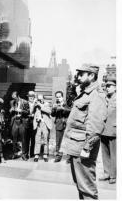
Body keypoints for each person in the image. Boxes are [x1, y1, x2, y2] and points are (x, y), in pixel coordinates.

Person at [62, 64, 107, 199]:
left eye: (82, 74)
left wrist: (87, 148)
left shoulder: (96, 95)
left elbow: (96, 126)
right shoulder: (85, 92)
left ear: (92, 76)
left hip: (83, 147)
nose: (79, 76)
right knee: (81, 185)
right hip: (76, 146)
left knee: (87, 188)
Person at [99, 76, 116, 184]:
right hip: (104, 129)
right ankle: (107, 173)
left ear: (116, 87)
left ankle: (113, 175)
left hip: (114, 130)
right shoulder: (105, 98)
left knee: (114, 154)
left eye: (110, 86)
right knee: (105, 153)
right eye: (106, 86)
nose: (107, 88)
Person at [51, 91, 71, 162]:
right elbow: (52, 115)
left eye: (59, 97)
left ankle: (69, 158)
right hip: (59, 124)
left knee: (68, 141)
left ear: (62, 97)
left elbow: (71, 110)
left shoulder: (67, 102)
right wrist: (54, 109)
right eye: (57, 97)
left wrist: (63, 108)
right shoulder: (55, 104)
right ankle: (58, 156)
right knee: (58, 141)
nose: (58, 98)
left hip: (67, 124)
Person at [9, 91, 30, 159]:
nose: (14, 100)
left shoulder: (25, 102)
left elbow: (28, 112)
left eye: (15, 98)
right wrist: (11, 110)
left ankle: (24, 154)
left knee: (23, 138)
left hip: (22, 121)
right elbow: (9, 111)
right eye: (13, 98)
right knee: (14, 138)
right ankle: (14, 153)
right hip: (15, 121)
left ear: (18, 96)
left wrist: (21, 110)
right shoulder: (12, 102)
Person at [33, 94, 52, 162]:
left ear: (43, 99)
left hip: (45, 124)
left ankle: (45, 154)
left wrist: (41, 105)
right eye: (39, 99)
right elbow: (32, 112)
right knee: (37, 139)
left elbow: (49, 111)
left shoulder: (47, 104)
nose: (40, 100)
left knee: (45, 139)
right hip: (38, 124)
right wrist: (34, 104)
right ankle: (36, 154)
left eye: (41, 99)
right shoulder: (36, 105)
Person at [22, 91, 36, 160]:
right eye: (30, 97)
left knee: (33, 139)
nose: (31, 98)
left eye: (32, 96)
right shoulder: (25, 103)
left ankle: (32, 154)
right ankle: (24, 154)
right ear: (28, 97)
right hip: (26, 123)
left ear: (34, 97)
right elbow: (22, 112)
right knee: (26, 140)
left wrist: (35, 115)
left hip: (34, 123)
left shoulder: (36, 104)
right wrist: (29, 114)